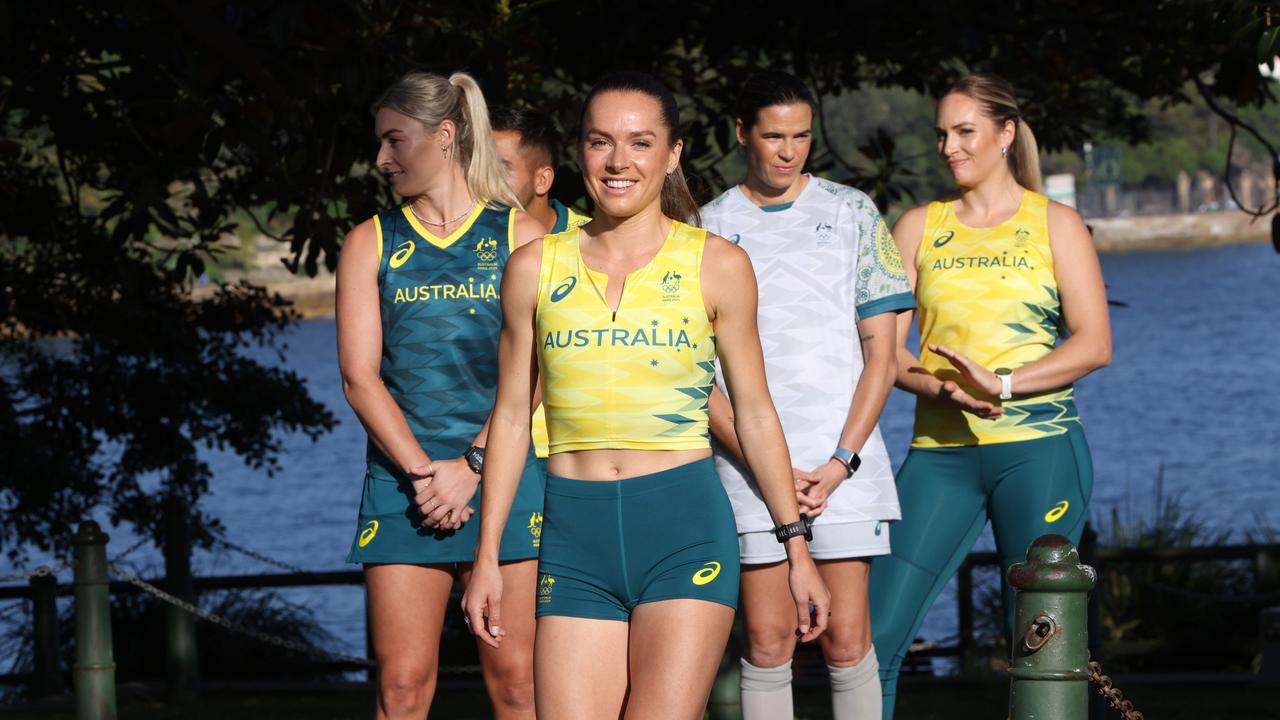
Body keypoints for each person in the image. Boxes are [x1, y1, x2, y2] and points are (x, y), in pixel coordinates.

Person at [462, 71, 831, 720]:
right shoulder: (532, 268)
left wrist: (794, 547)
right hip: (574, 534)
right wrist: (487, 556)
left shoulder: (717, 264)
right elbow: (513, 416)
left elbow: (754, 413)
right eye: (601, 142)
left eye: (639, 142)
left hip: (684, 530)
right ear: (580, 152)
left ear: (673, 153)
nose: (618, 161)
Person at [868, 73, 1111, 718]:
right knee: (870, 638)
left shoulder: (1057, 224)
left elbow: (1093, 345)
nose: (949, 146)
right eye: (942, 134)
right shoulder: (918, 227)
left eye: (965, 131)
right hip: (940, 454)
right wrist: (950, 389)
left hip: (1040, 451)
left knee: (1040, 644)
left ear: (1005, 133)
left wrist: (1000, 385)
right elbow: (887, 356)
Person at [700, 70, 914, 720]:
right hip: (746, 471)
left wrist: (840, 461)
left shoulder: (855, 213)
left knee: (848, 641)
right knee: (769, 642)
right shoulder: (702, 227)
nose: (788, 151)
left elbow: (883, 355)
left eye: (801, 136)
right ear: (742, 133)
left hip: (841, 471)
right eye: (773, 136)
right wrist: (767, 466)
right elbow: (694, 376)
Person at [336, 71, 547, 720]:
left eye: (395, 141)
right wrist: (428, 475)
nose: (381, 159)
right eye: (379, 143)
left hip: (503, 477)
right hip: (405, 485)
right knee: (402, 689)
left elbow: (536, 373)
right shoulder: (369, 241)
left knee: (516, 683)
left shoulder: (520, 237)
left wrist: (473, 466)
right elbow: (358, 377)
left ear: (446, 135)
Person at [490, 105, 591, 476]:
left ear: (542, 179)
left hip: (569, 456)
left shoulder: (593, 244)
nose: (481, 180)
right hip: (478, 448)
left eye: (499, 169)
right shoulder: (457, 253)